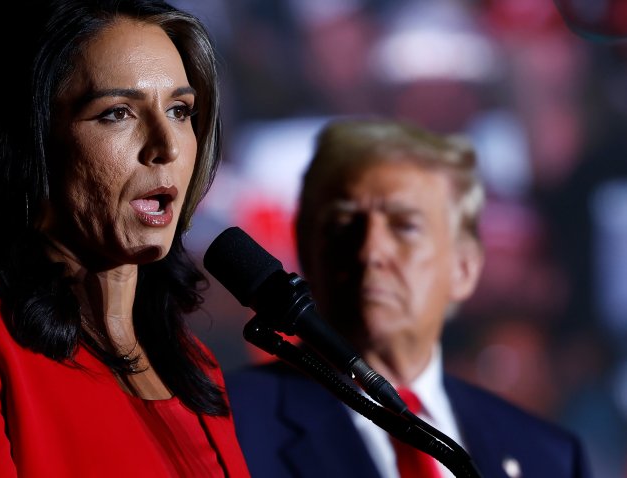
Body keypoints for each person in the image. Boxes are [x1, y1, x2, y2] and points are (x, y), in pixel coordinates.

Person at [0, 1, 251, 476]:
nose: (167, 146)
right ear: (33, 140)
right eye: (117, 113)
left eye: (179, 110)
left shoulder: (196, 366)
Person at [224, 118, 591, 478]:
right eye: (344, 223)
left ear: (463, 268)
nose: (372, 250)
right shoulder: (225, 427)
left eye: (405, 226)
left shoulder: (550, 456)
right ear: (305, 252)